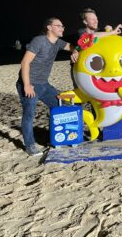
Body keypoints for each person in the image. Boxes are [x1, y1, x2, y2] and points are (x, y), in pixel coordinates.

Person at [16, 17, 76, 156]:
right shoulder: (39, 41)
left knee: (60, 107)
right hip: (29, 84)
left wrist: (75, 52)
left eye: (63, 26)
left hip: (44, 84)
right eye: (59, 26)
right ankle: (30, 146)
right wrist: (27, 85)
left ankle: (56, 137)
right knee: (29, 114)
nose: (63, 28)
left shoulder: (58, 42)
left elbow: (73, 47)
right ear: (49, 28)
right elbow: (25, 63)